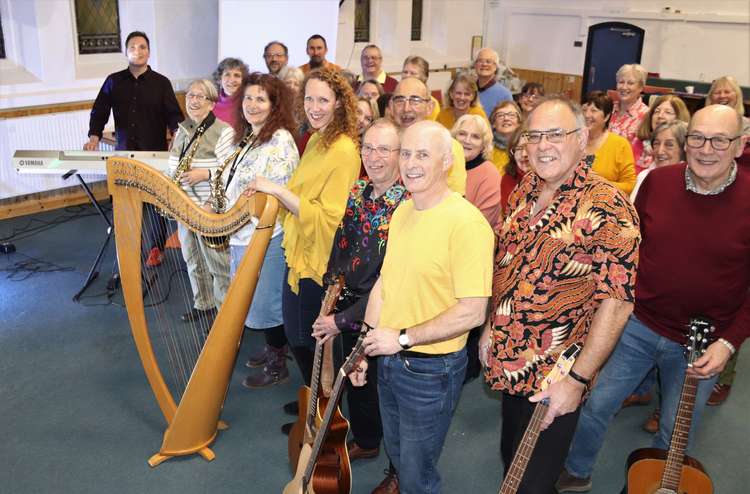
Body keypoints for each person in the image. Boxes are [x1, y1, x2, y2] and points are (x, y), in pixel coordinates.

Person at [558, 105, 750, 493]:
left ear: (740, 145)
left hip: (704, 344)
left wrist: (729, 343)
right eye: (697, 138)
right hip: (639, 325)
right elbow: (626, 250)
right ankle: (576, 471)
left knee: (675, 429)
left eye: (719, 140)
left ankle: (650, 483)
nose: (706, 149)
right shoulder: (657, 182)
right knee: (596, 405)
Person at [481, 97, 640, 494]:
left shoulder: (607, 205)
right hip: (511, 361)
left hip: (556, 375)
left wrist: (577, 380)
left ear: (583, 139)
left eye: (555, 134)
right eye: (534, 135)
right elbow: (507, 268)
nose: (542, 145)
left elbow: (618, 302)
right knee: (511, 462)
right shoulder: (525, 189)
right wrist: (489, 326)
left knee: (529, 482)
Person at [351, 120, 494, 494]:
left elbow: (472, 312)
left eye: (423, 155)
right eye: (407, 153)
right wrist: (364, 348)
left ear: (446, 161)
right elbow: (386, 283)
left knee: (418, 475)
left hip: (431, 371)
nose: (411, 163)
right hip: (390, 357)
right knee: (399, 457)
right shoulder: (403, 211)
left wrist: (400, 338)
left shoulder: (467, 224)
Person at [245, 68, 360, 427]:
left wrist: (278, 191)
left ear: (339, 103)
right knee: (297, 334)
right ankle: (312, 395)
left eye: (323, 99)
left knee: (313, 340)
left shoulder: (343, 151)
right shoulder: (314, 139)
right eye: (309, 98)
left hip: (320, 260)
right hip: (299, 251)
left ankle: (327, 410)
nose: (314, 106)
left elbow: (331, 219)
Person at [310, 118, 408, 466]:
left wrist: (342, 319)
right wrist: (329, 291)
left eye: (385, 149)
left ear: (401, 154)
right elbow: (342, 243)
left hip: (381, 313)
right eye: (368, 147)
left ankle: (393, 461)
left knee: (380, 388)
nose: (374, 156)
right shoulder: (358, 191)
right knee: (355, 382)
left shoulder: (408, 204)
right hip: (345, 302)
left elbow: (395, 280)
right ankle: (366, 439)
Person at [217, 73, 300, 388]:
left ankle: (279, 364)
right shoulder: (249, 135)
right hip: (241, 233)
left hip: (266, 235)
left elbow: (275, 194)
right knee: (257, 301)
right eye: (248, 98)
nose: (252, 105)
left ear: (274, 104)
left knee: (268, 304)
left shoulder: (279, 140)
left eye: (261, 99)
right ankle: (272, 350)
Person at [84, 31, 183, 267]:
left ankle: (156, 248)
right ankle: (129, 246)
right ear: (126, 52)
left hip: (154, 152)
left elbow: (174, 115)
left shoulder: (161, 82)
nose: (138, 52)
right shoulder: (113, 81)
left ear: (149, 52)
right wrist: (94, 136)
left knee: (157, 203)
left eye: (142, 47)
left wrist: (179, 136)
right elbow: (99, 111)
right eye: (133, 47)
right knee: (126, 202)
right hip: (125, 152)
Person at [167, 79, 235, 324]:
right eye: (190, 96)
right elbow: (172, 164)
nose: (193, 101)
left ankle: (224, 316)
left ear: (212, 103)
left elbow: (231, 170)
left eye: (200, 97)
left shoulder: (223, 131)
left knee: (218, 265)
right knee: (192, 259)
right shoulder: (182, 130)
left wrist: (204, 174)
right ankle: (203, 303)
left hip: (210, 207)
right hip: (184, 207)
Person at [390, 77, 467, 195]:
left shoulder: (449, 147)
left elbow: (455, 198)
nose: (406, 108)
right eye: (400, 100)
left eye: (415, 100)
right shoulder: (385, 145)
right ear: (391, 107)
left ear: (430, 107)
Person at [451, 114, 502, 230]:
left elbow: (480, 224)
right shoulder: (444, 167)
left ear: (484, 145)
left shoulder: (490, 174)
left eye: (475, 137)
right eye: (462, 134)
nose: (467, 140)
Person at [582, 91, 637, 194]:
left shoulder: (620, 145)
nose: (587, 115)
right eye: (584, 109)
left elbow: (630, 185)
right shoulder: (572, 140)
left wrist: (599, 184)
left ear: (607, 117)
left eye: (593, 110)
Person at [630, 120, 687, 201]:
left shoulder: (690, 182)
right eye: (656, 143)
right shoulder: (644, 176)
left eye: (669, 145)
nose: (660, 151)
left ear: (683, 149)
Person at [633, 94, 690, 173]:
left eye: (668, 112)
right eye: (657, 111)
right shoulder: (638, 142)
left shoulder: (686, 148)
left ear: (679, 118)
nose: (660, 116)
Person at [608, 64, 649, 153]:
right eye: (621, 82)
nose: (624, 87)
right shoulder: (609, 108)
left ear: (641, 87)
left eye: (630, 83)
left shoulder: (646, 115)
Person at [473, 47, 513, 117]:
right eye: (480, 61)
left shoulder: (504, 94)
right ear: (475, 65)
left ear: (495, 67)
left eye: (488, 61)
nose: (484, 64)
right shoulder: (470, 89)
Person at [212, 57, 249, 127]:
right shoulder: (210, 104)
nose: (232, 80)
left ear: (243, 80)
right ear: (219, 79)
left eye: (237, 75)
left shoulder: (248, 103)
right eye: (227, 74)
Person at [500, 128, 529, 217]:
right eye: (519, 149)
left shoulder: (550, 179)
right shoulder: (507, 179)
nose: (524, 154)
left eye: (528, 148)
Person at [401, 55, 440, 120]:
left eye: (412, 73)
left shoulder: (431, 104)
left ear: (424, 77)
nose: (407, 76)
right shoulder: (396, 99)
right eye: (405, 72)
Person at [490, 100, 523, 174]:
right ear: (493, 123)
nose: (506, 119)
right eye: (500, 115)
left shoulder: (527, 148)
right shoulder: (486, 149)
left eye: (511, 115)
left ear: (519, 122)